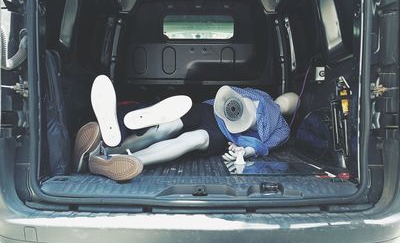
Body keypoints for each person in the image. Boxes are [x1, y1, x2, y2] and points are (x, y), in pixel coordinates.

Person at [72, 75, 298, 181]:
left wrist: (244, 151)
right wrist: (245, 150)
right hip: (220, 122)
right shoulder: (268, 106)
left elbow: (261, 147)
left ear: (290, 109)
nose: (287, 101)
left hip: (220, 122)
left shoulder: (277, 121)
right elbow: (261, 146)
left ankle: (114, 148)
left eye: (291, 102)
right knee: (184, 134)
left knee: (175, 131)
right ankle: (125, 155)